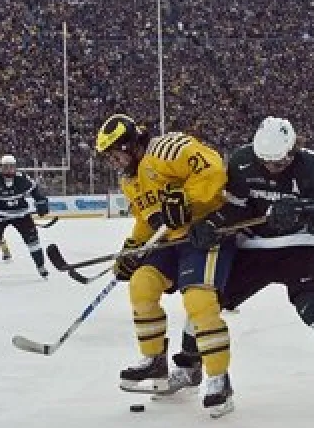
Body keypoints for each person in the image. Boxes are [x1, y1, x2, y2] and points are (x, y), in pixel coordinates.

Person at [173, 117, 314, 415]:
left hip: (303, 244)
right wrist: (211, 225)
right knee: (205, 300)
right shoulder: (243, 162)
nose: (271, 168)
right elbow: (235, 208)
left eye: (279, 162)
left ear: (294, 149)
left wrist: (305, 214)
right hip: (255, 246)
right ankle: (190, 367)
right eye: (265, 162)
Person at [95, 114, 235, 418]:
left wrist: (185, 198)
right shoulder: (129, 180)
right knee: (141, 284)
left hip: (205, 232)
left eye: (116, 155)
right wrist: (132, 249)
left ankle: (218, 379)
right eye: (109, 159)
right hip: (171, 241)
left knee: (198, 300)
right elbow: (149, 220)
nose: (115, 163)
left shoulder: (168, 149)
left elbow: (213, 169)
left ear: (131, 145)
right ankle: (154, 360)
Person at [0, 155, 49, 281]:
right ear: (1, 168)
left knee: (33, 241)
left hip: (21, 214)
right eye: (6, 167)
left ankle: (41, 266)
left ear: (15, 167)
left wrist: (41, 202)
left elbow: (35, 191)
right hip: (0, 214)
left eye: (11, 166)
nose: (9, 169)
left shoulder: (22, 178)